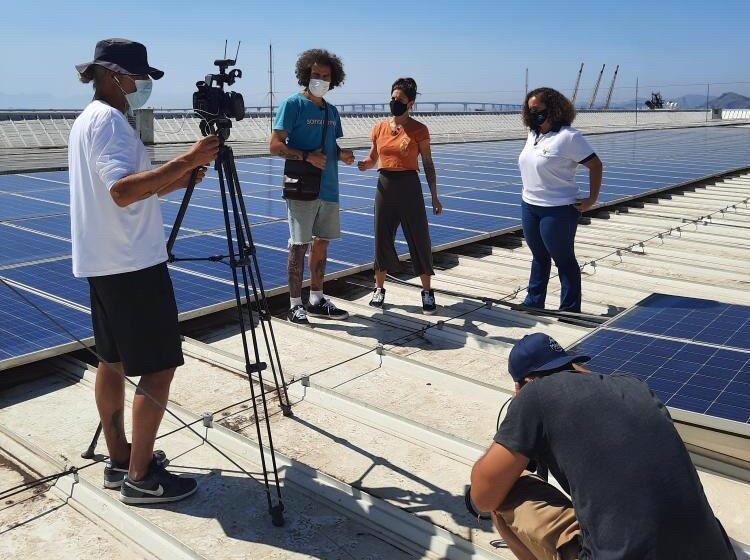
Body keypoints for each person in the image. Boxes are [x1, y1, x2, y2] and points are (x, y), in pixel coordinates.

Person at [70, 38, 219, 504]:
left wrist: (180, 178)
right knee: (158, 369)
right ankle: (141, 478)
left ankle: (120, 459)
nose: (143, 85)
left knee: (111, 362)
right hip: (132, 265)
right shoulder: (110, 124)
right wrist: (188, 159)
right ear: (114, 75)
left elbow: (135, 192)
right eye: (139, 77)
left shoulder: (89, 121)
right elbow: (122, 191)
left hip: (105, 262)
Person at [470, 333, 737, 560]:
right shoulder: (635, 386)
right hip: (716, 552)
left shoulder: (534, 395)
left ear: (524, 384)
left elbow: (484, 496)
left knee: (502, 495)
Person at [269, 48, 355, 324]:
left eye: (325, 76)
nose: (320, 79)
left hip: (329, 188)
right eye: (315, 74)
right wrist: (306, 156)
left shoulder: (332, 111)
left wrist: (342, 154)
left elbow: (332, 146)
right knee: (299, 245)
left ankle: (316, 298)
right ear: (305, 74)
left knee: (322, 245)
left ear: (334, 80)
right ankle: (295, 304)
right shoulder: (293, 105)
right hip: (302, 186)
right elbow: (274, 145)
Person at [357, 77, 443, 314]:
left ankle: (427, 292)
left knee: (419, 237)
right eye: (393, 98)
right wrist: (363, 163)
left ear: (411, 103)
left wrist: (434, 196)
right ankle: (379, 288)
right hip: (385, 185)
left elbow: (427, 163)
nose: (395, 102)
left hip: (409, 186)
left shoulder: (419, 130)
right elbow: (374, 158)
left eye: (400, 99)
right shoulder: (379, 128)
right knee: (381, 237)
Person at [518, 88, 603, 313]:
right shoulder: (532, 134)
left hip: (558, 209)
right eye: (530, 109)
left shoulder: (569, 137)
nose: (532, 113)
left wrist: (591, 199)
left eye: (537, 109)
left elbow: (595, 165)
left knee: (563, 259)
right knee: (539, 255)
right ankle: (534, 301)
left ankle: (570, 309)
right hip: (530, 205)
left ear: (553, 109)